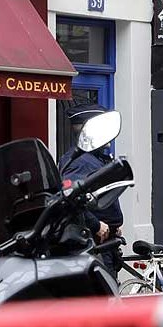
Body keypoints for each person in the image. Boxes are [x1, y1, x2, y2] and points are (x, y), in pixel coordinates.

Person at [58, 103, 124, 279]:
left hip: (105, 241)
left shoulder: (94, 158)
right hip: (93, 243)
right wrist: (96, 224)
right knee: (105, 301)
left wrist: (113, 225)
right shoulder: (80, 161)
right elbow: (69, 199)